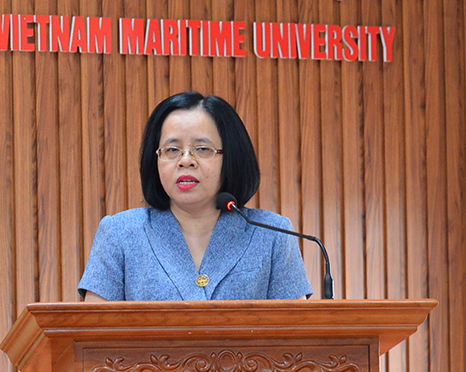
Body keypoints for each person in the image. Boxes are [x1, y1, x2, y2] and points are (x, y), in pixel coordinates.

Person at [79, 91, 313, 301]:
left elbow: (297, 332)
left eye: (202, 149)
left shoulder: (273, 234)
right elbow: (93, 331)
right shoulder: (119, 234)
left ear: (231, 157)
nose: (185, 160)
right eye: (172, 150)